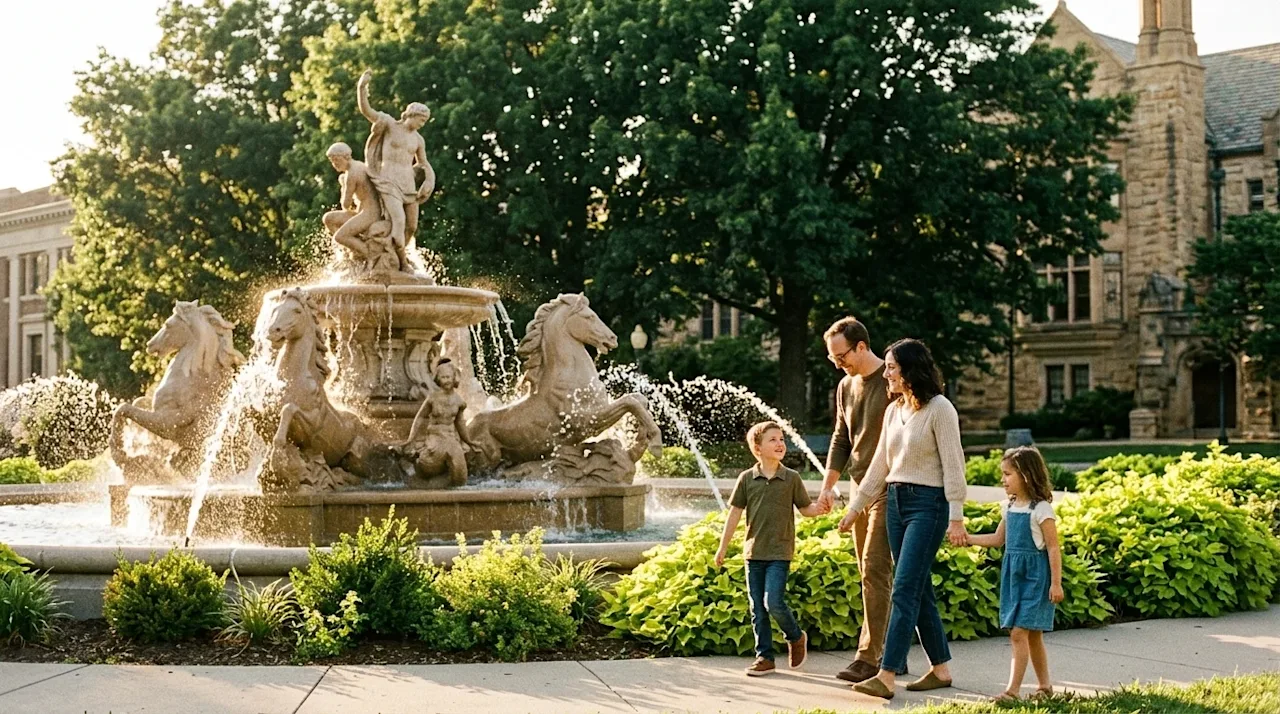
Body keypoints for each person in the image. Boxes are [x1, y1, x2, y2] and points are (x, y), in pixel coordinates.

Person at [839, 338, 967, 700]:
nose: (887, 374)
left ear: (910, 370)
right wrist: (855, 508)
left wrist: (955, 517)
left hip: (928, 506)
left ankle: (886, 673)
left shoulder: (941, 409)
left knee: (904, 588)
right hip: (895, 502)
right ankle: (940, 669)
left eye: (892, 368)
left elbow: (955, 467)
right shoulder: (894, 411)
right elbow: (880, 464)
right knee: (918, 588)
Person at [715, 421, 830, 676]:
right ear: (758, 448)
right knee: (757, 607)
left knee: (773, 602)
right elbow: (734, 514)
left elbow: (805, 509)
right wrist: (723, 548)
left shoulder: (791, 478)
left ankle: (795, 636)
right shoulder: (747, 479)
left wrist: (819, 509)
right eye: (773, 440)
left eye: (781, 439)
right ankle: (764, 657)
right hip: (753, 553)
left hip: (780, 551)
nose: (780, 444)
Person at [817, 317, 894, 684]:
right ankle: (891, 651)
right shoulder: (845, 386)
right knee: (872, 573)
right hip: (857, 488)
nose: (837, 363)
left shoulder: (893, 381)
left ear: (862, 346)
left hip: (890, 488)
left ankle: (869, 658)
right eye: (832, 358)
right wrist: (828, 486)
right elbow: (841, 439)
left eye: (841, 355)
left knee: (874, 569)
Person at [965, 446, 1064, 703]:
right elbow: (999, 540)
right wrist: (968, 539)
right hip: (1014, 577)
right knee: (1032, 636)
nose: (1003, 480)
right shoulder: (1008, 507)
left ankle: (1012, 692)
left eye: (1008, 474)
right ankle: (1045, 687)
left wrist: (1055, 583)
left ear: (1026, 475)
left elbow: (1053, 547)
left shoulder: (1041, 509)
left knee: (1019, 633)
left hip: (1036, 579)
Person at [356, 69, 436, 271]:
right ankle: (400, 263)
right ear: (412, 114)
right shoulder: (390, 124)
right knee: (398, 222)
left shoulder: (418, 139)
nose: (422, 124)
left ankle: (398, 256)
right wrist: (362, 87)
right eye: (421, 119)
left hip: (408, 185)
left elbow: (423, 163)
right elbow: (367, 111)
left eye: (424, 122)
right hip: (388, 180)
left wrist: (429, 180)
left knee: (411, 226)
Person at [400, 360, 473, 487]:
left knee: (460, 473)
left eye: (448, 377)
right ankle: (412, 463)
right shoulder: (433, 398)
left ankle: (441, 481)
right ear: (438, 379)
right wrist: (411, 439)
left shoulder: (459, 401)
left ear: (454, 377)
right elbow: (420, 417)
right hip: (435, 437)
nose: (446, 381)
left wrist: (469, 441)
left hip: (450, 437)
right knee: (427, 463)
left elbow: (460, 423)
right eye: (443, 377)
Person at [322, 142, 384, 260]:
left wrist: (343, 185)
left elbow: (345, 204)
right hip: (365, 211)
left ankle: (369, 255)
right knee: (328, 219)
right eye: (332, 161)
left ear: (346, 157)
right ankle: (354, 247)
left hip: (370, 214)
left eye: (336, 160)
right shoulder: (360, 165)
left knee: (340, 237)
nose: (334, 164)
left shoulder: (351, 174)